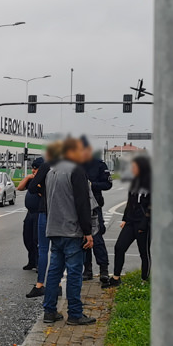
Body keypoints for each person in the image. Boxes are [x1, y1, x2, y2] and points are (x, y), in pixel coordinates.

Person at [41, 137, 96, 326]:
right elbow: (83, 203)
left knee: (54, 271)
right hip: (72, 230)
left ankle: (49, 312)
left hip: (54, 229)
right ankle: (75, 314)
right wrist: (87, 231)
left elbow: (47, 202)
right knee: (74, 273)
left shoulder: (51, 172)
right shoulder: (76, 171)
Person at [103, 155, 152, 288]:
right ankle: (116, 278)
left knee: (144, 252)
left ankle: (144, 279)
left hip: (144, 223)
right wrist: (125, 219)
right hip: (131, 222)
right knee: (119, 247)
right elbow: (130, 202)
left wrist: (145, 222)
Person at [25, 141, 63, 298]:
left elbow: (32, 186)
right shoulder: (71, 168)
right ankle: (58, 284)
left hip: (45, 211)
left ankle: (40, 284)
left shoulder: (47, 166)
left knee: (43, 249)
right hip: (61, 213)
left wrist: (42, 191)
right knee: (58, 250)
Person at [80, 136, 112, 282]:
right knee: (83, 239)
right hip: (80, 207)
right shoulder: (76, 165)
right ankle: (87, 269)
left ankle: (103, 269)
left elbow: (108, 184)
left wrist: (93, 185)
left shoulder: (99, 164)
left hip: (95, 206)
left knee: (97, 238)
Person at [17, 157, 44, 271]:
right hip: (30, 213)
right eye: (32, 169)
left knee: (36, 240)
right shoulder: (32, 179)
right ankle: (31, 261)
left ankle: (39, 263)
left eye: (36, 169)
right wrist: (28, 177)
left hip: (39, 213)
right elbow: (20, 187)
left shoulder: (44, 180)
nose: (33, 171)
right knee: (27, 238)